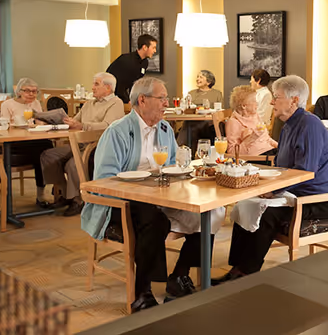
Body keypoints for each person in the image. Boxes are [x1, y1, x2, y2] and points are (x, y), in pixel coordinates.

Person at [81, 77, 223, 312]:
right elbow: (103, 182)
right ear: (143, 100)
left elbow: (170, 168)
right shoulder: (117, 132)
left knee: (211, 211)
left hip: (159, 198)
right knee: (154, 219)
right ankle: (142, 292)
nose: (167, 102)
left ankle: (179, 275)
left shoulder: (165, 129)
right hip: (121, 203)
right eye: (162, 98)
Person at [213, 75, 328, 285]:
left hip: (318, 199)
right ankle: (237, 269)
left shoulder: (309, 125)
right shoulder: (289, 124)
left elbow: (305, 171)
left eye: (276, 97)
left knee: (267, 213)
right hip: (297, 191)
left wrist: (275, 190)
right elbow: (282, 165)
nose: (271, 102)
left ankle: (246, 273)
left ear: (294, 100)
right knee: (246, 204)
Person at [40, 73, 124, 216]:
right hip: (78, 143)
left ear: (108, 88)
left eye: (96, 84)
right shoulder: (89, 103)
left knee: (72, 164)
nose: (92, 88)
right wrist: (54, 121)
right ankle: (65, 194)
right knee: (48, 155)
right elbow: (75, 121)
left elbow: (108, 126)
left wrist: (82, 125)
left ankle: (78, 200)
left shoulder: (116, 103)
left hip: (97, 145)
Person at [1, 78, 53, 207]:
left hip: (32, 140)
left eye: (35, 92)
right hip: (14, 142)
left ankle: (46, 191)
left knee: (46, 147)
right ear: (19, 91)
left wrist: (43, 123)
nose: (31, 94)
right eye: (28, 91)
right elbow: (4, 126)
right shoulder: (7, 104)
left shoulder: (35, 103)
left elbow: (39, 121)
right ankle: (42, 195)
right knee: (42, 152)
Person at [226, 85, 277, 156]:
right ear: (244, 106)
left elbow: (266, 138)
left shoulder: (255, 115)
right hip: (258, 157)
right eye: (254, 101)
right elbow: (232, 152)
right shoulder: (234, 122)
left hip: (270, 151)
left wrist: (279, 146)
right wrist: (252, 137)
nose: (257, 103)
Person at [179, 70, 223, 153]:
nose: (197, 79)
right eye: (197, 77)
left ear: (208, 82)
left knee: (191, 127)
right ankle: (181, 152)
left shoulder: (217, 94)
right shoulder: (191, 93)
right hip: (193, 121)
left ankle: (185, 152)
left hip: (209, 123)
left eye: (201, 77)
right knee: (188, 125)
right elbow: (187, 106)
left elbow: (219, 110)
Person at [106, 34, 157, 103]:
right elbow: (119, 84)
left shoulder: (145, 63)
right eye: (153, 48)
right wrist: (127, 100)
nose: (155, 51)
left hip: (126, 98)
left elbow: (135, 84)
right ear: (144, 47)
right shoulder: (125, 60)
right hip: (111, 97)